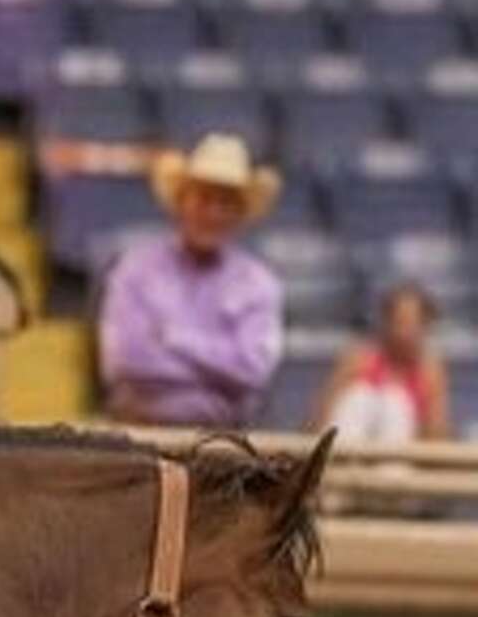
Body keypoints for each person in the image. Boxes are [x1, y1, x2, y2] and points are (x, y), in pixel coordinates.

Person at [98, 133, 285, 427]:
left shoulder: (258, 282)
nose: (213, 213)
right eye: (204, 198)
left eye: (226, 203)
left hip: (222, 444)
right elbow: (127, 360)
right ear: (180, 202)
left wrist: (174, 339)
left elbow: (252, 371)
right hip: (137, 436)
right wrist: (217, 383)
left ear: (240, 214)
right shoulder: (135, 269)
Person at [314, 281, 451, 444]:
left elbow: (436, 435)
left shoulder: (429, 371)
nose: (405, 331)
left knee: (394, 404)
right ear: (386, 321)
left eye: (413, 323)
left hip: (401, 456)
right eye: (399, 321)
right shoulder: (358, 359)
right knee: (361, 396)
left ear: (425, 326)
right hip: (348, 447)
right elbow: (320, 418)